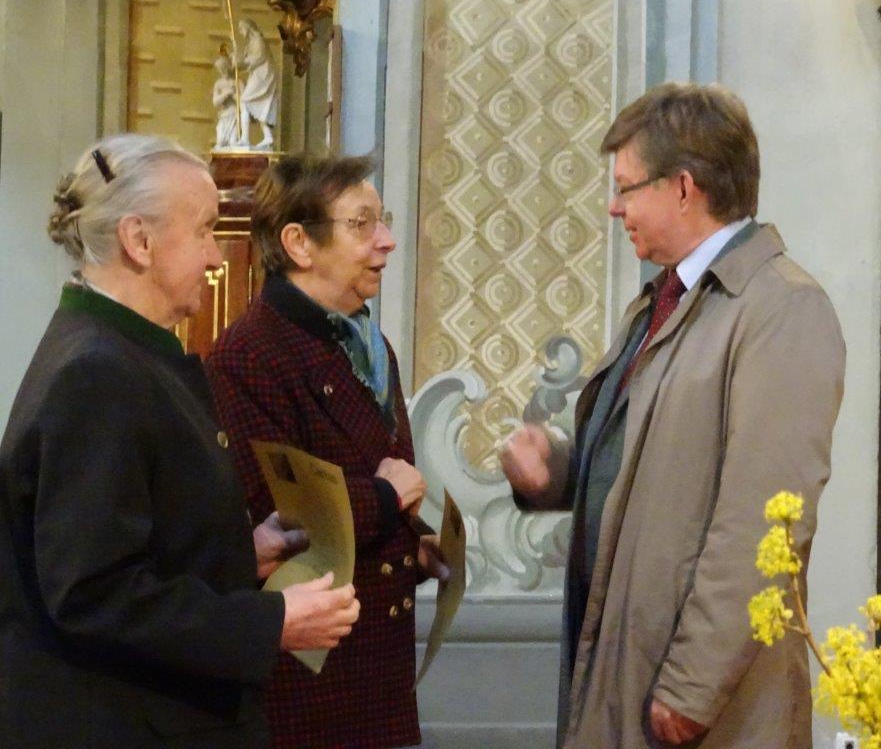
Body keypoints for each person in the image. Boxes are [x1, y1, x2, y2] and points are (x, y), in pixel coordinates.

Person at [500, 83, 845, 749]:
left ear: (683, 187)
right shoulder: (664, 300)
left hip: (700, 704)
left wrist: (693, 686)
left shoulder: (780, 307)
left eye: (626, 188)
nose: (614, 207)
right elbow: (656, 461)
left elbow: (764, 520)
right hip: (628, 670)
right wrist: (558, 473)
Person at [0, 134, 360, 749]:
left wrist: (238, 555)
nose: (218, 257)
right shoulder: (97, 372)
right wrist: (268, 622)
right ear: (138, 241)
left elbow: (131, 538)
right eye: (204, 231)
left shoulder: (120, 352)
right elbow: (94, 594)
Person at [206, 155, 448, 749]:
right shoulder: (248, 355)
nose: (387, 241)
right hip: (309, 689)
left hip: (374, 676)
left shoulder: (370, 343)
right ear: (299, 243)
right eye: (361, 224)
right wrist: (387, 499)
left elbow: (366, 474)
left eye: (382, 220)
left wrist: (415, 546)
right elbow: (283, 520)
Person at [235, 19, 279, 149]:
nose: (241, 32)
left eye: (242, 28)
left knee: (245, 101)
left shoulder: (258, 40)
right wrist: (236, 60)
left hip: (263, 75)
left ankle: (245, 138)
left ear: (248, 28)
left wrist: (244, 61)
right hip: (257, 75)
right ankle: (267, 135)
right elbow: (244, 62)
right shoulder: (250, 43)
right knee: (256, 105)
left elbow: (259, 57)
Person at [213, 52, 241, 150]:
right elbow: (215, 102)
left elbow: (244, 102)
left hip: (234, 116)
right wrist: (225, 94)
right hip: (223, 115)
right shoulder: (218, 84)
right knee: (220, 142)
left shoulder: (237, 82)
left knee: (233, 142)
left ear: (229, 67)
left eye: (224, 69)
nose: (222, 72)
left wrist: (233, 95)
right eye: (220, 70)